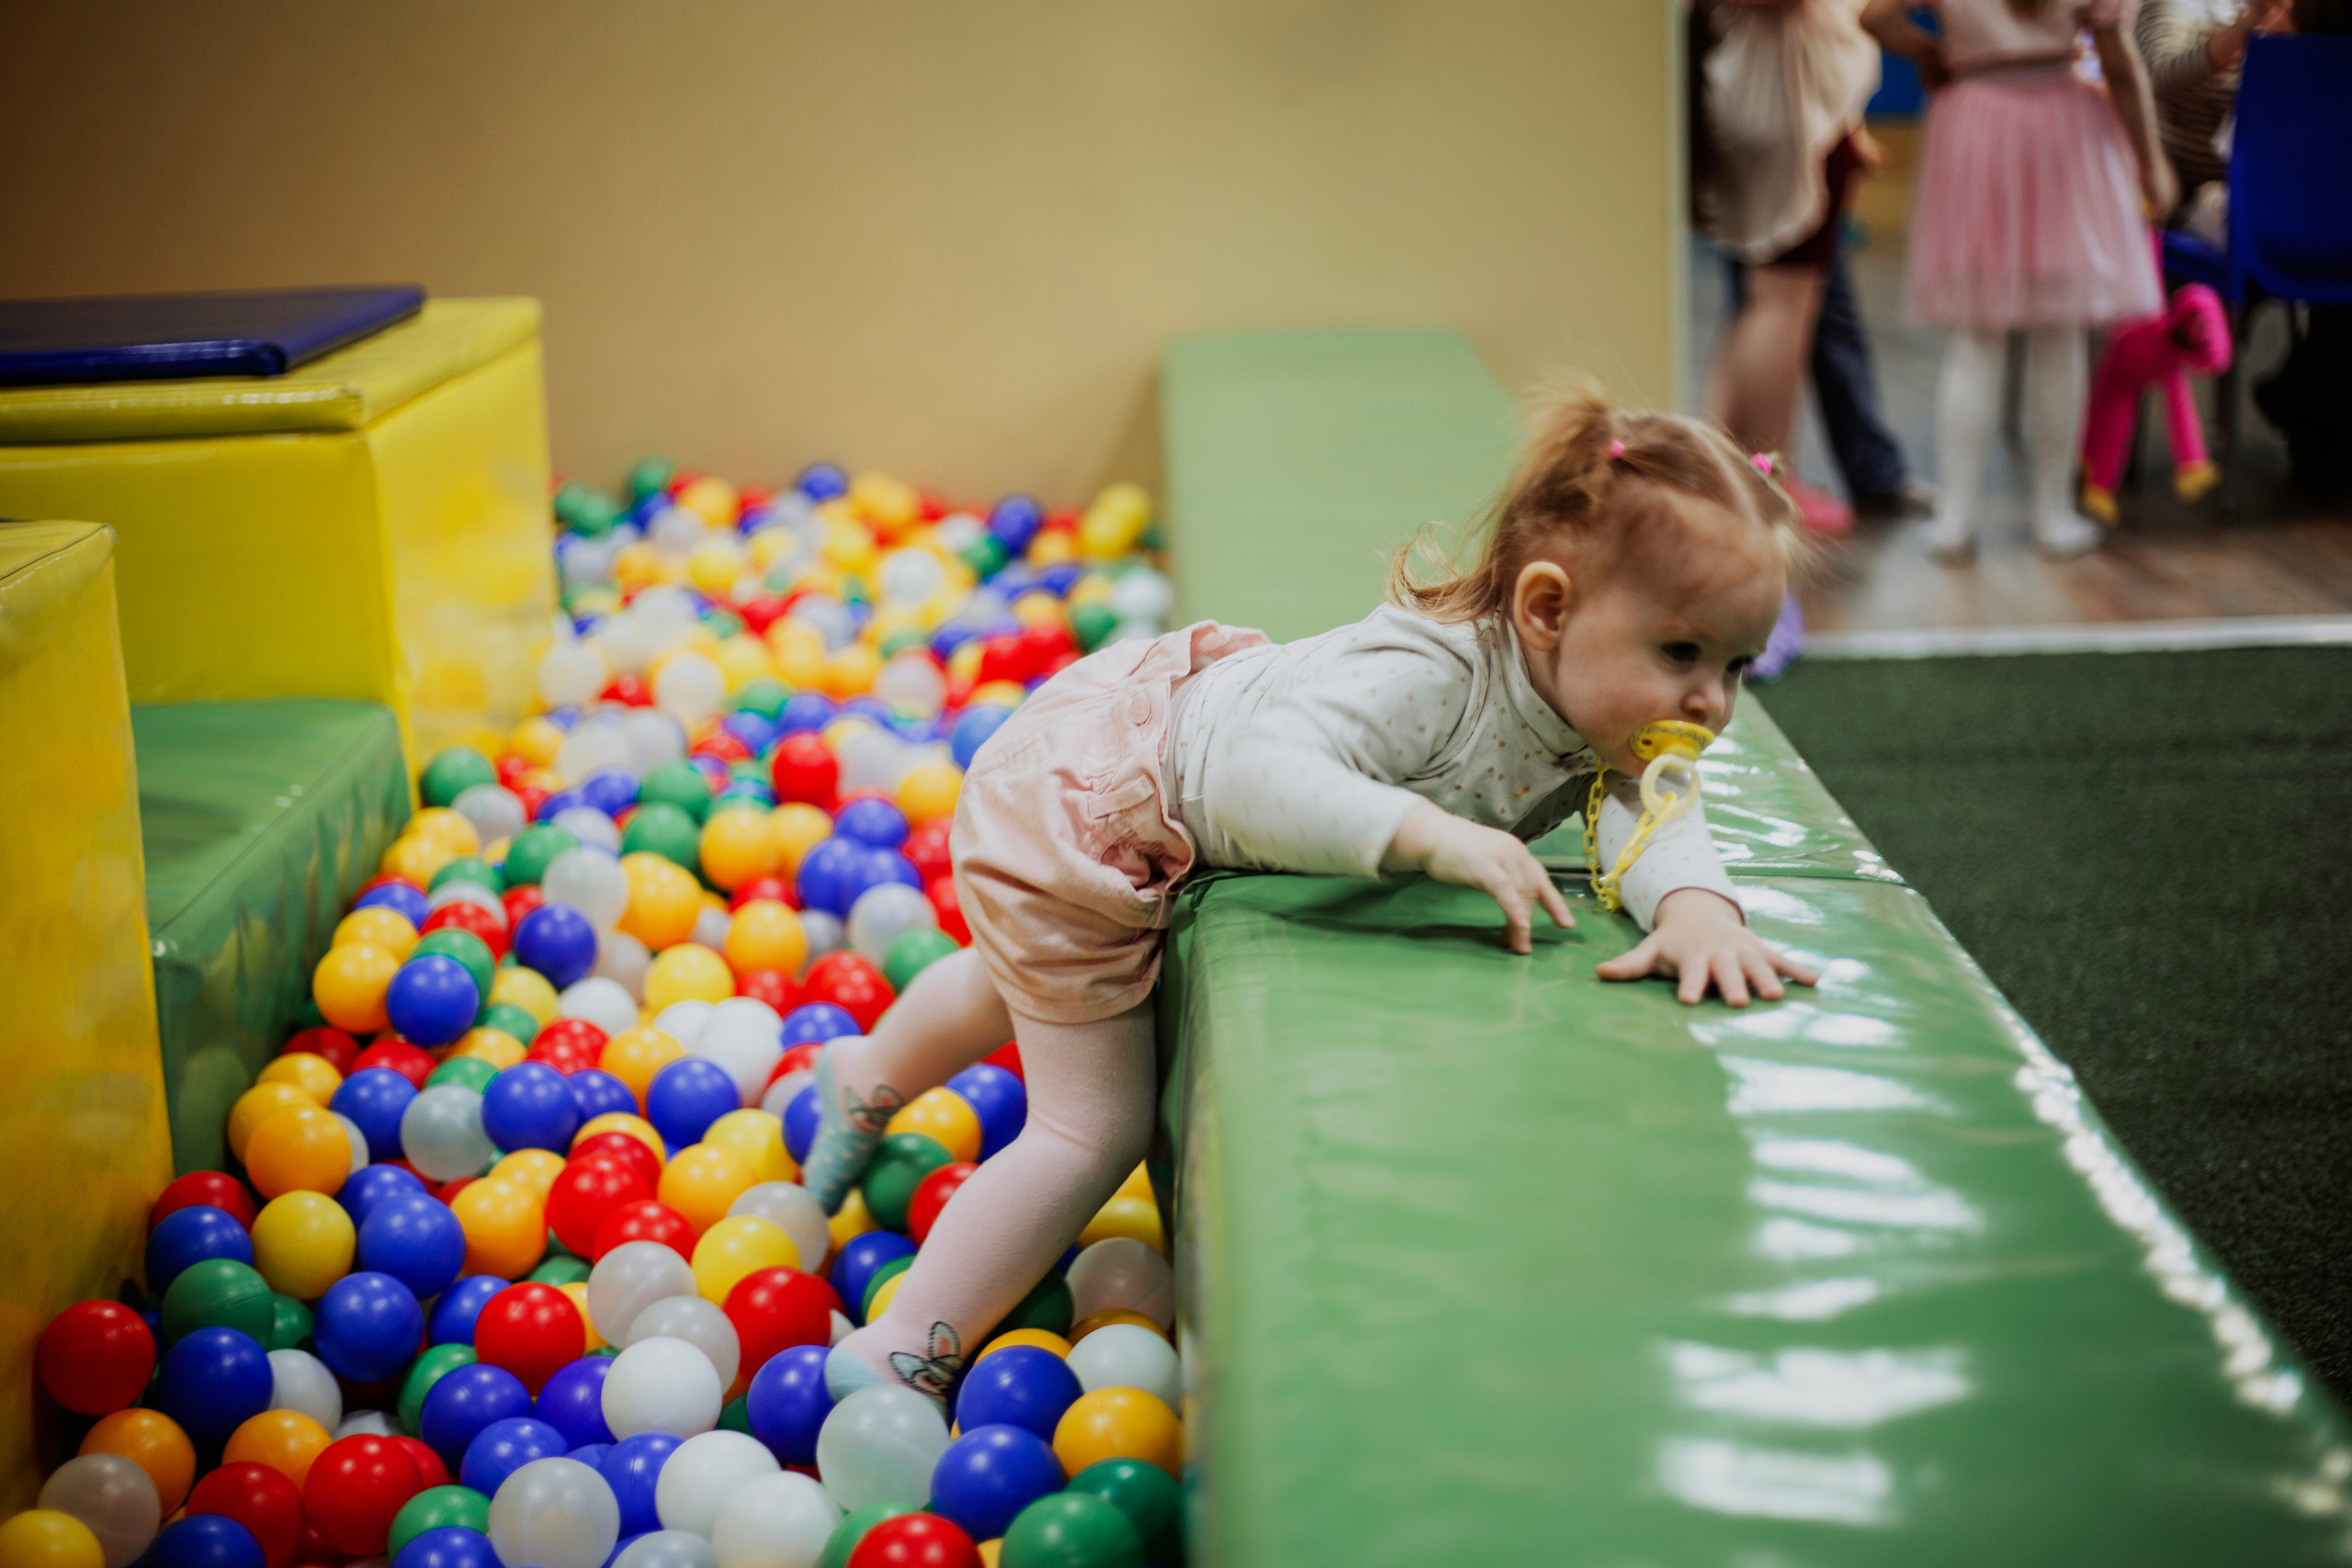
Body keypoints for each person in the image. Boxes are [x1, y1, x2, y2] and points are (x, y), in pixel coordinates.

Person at [804, 388, 1823, 1403]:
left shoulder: (1611, 712)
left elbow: (1657, 811)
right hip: (1095, 804)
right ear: (1547, 608)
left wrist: (1696, 910)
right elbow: (1258, 773)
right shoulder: (1432, 674)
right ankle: (901, 1345)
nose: (1710, 704)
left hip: (1127, 784)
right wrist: (1427, 835)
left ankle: (866, 1073)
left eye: (1736, 667)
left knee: (1017, 984)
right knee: (1088, 1128)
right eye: (1683, 654)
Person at [1866, 0, 2176, 559]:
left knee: (1975, 337)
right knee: (2058, 333)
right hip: (2063, 126)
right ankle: (2053, 516)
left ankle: (1955, 520)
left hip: (1975, 119)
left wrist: (1930, 50)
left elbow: (1877, 16)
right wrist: (2151, 160)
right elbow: (2121, 62)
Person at [1694, 0, 1884, 534]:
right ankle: (1767, 481)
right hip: (1785, 101)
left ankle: (1729, 475)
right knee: (1781, 301)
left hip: (1779, 93)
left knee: (1766, 300)